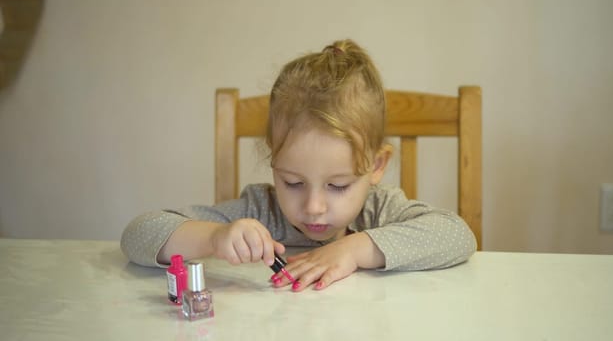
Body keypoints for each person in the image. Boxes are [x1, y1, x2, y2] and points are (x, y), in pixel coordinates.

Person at [121, 39, 477, 291]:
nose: (313, 207)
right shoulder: (261, 210)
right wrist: (214, 238)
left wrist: (354, 249)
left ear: (376, 164)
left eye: (338, 186)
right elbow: (138, 234)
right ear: (274, 158)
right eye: (292, 182)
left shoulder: (380, 210)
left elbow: (459, 236)